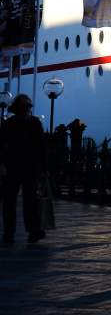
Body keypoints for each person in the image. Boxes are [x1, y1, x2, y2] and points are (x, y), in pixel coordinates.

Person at [1, 94, 47, 244]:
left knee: (25, 201)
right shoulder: (32, 123)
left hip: (23, 167)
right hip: (20, 166)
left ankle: (21, 232)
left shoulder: (11, 123)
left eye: (28, 107)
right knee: (18, 201)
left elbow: (41, 146)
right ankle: (26, 231)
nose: (27, 109)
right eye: (25, 107)